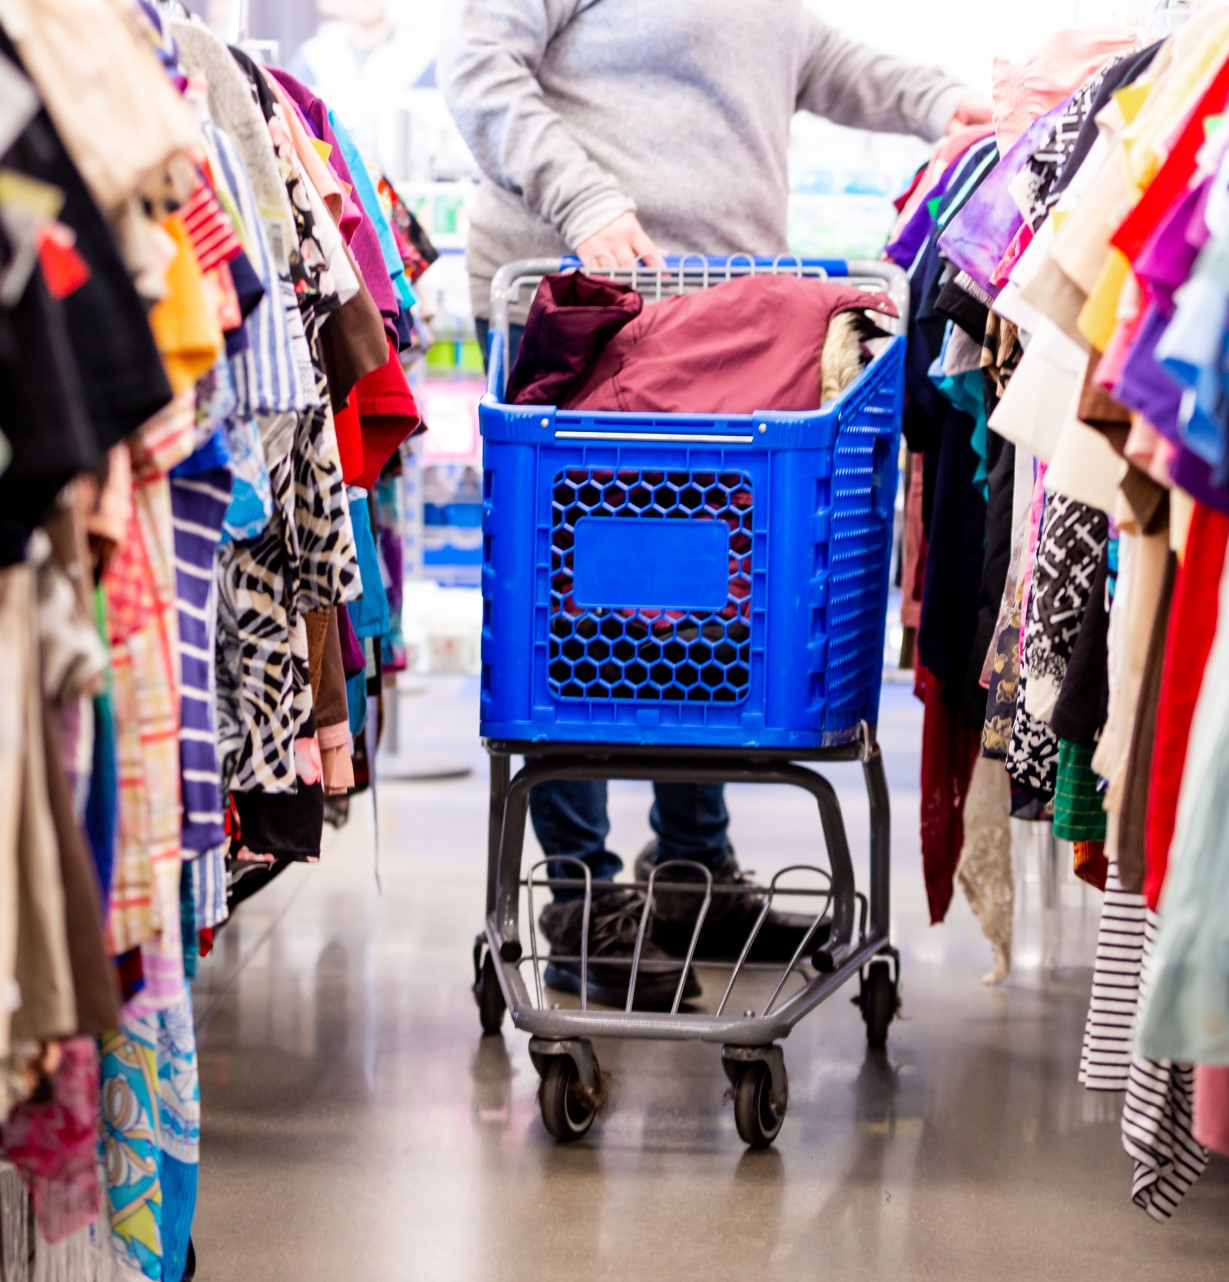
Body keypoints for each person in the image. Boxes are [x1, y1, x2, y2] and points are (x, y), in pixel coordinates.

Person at [441, 0, 986, 1009]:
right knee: (585, 608)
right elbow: (476, 66)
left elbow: (826, 59)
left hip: (719, 315)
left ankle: (692, 871)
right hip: (582, 307)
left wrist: (954, 104)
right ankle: (582, 898)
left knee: (701, 609)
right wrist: (586, 199)